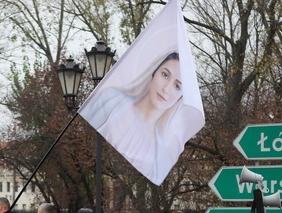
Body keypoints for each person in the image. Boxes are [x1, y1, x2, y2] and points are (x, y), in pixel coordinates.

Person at [79, 51, 204, 184]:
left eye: (177, 86)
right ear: (154, 73)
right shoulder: (110, 100)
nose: (166, 88)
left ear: (180, 98)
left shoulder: (160, 155)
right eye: (165, 74)